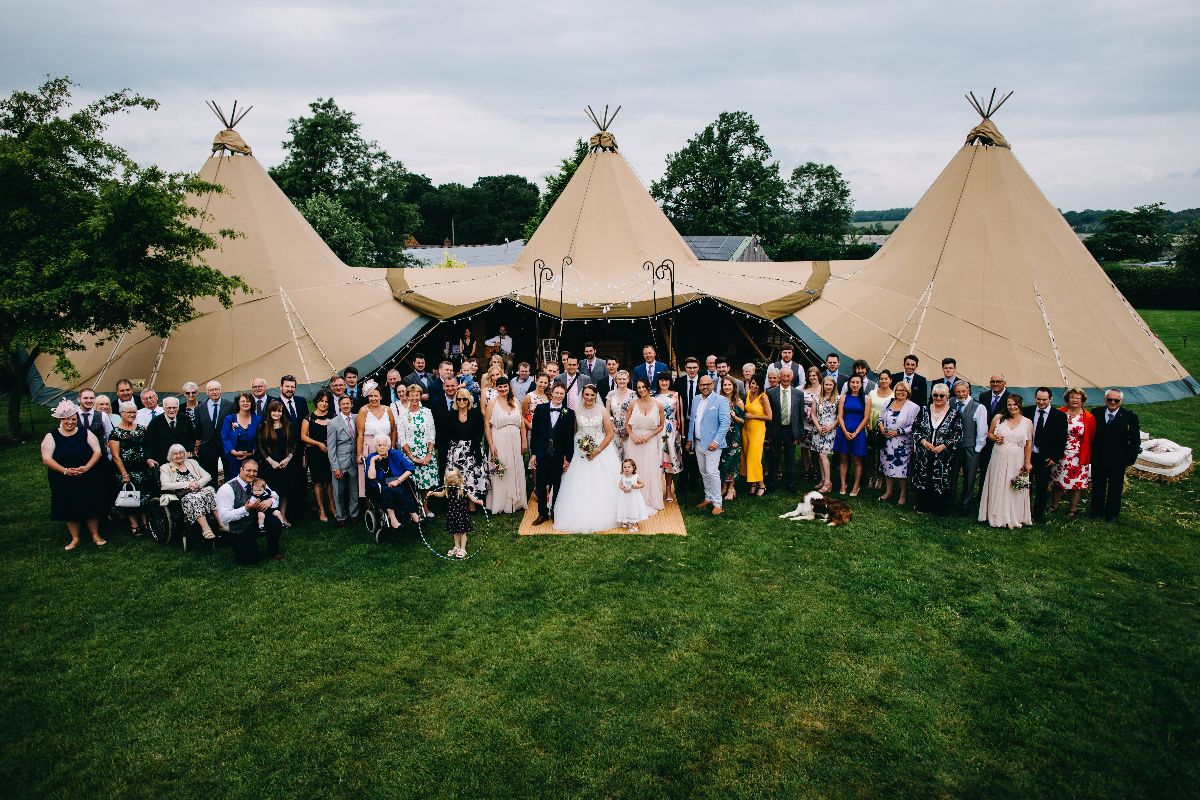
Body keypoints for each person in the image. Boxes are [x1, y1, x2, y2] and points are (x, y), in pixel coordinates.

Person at [551, 384, 624, 533]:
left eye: (592, 395)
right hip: (579, 450)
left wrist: (597, 451)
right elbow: (571, 433)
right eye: (586, 394)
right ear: (582, 395)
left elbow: (609, 434)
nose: (589, 397)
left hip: (601, 449)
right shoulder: (575, 411)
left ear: (596, 395)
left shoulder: (602, 411)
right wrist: (575, 450)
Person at [43, 399, 107, 550]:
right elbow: (46, 458)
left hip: (87, 475)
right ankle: (75, 538)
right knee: (68, 504)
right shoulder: (51, 436)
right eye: (67, 419)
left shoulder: (86, 433)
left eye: (73, 418)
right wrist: (65, 471)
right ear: (60, 419)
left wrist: (87, 467)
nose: (70, 422)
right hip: (62, 478)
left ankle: (95, 534)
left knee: (90, 503)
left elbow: (97, 451)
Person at [978, 394, 1034, 528]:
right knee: (998, 482)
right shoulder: (998, 418)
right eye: (1009, 404)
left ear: (1020, 405)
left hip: (1017, 458)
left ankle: (1014, 515)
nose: (1012, 407)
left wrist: (1027, 462)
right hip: (999, 456)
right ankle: (996, 514)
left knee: (1013, 485)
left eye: (1015, 404)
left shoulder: (1027, 422)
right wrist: (995, 438)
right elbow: (989, 434)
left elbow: (1028, 443)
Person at [215, 458, 283, 564]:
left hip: (257, 521)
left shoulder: (258, 482)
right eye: (248, 470)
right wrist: (245, 509)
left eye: (255, 471)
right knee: (248, 560)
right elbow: (224, 517)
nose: (252, 474)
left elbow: (275, 495)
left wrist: (270, 500)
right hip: (239, 527)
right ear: (241, 469)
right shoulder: (227, 489)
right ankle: (247, 546)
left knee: (275, 522)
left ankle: (273, 551)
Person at [910, 385, 964, 515]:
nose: (938, 398)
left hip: (943, 455)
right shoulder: (923, 410)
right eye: (935, 395)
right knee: (923, 477)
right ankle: (922, 506)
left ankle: (938, 508)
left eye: (942, 395)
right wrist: (923, 442)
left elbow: (957, 435)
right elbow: (915, 429)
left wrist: (943, 446)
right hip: (924, 453)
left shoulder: (954, 414)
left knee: (940, 479)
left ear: (947, 397)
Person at [1090, 388, 1140, 523]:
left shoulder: (1130, 417)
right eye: (1110, 399)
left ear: (1121, 401)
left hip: (1118, 460)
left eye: (1116, 400)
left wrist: (1129, 459)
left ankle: (1111, 513)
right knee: (1097, 486)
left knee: (1115, 488)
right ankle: (1096, 511)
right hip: (1098, 458)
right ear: (1105, 399)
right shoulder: (1095, 413)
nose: (1113, 402)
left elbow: (1135, 440)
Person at [529, 384, 576, 524]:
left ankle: (555, 510)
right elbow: (535, 433)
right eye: (557, 392)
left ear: (564, 395)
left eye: (562, 393)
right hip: (542, 453)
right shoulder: (540, 409)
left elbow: (569, 438)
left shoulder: (569, 413)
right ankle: (542, 513)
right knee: (541, 484)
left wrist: (568, 457)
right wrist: (534, 453)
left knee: (557, 484)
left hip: (558, 455)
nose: (559, 395)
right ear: (552, 393)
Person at [688, 375, 731, 516]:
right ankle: (708, 498)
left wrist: (716, 441)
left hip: (713, 444)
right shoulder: (696, 400)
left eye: (707, 384)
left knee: (712, 471)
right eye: (702, 385)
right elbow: (692, 422)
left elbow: (725, 423)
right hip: (698, 442)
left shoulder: (721, 400)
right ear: (699, 386)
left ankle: (718, 503)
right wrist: (690, 439)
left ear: (712, 385)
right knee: (704, 471)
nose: (705, 387)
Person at [484, 377, 527, 515]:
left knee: (515, 468)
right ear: (496, 388)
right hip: (499, 440)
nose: (503, 389)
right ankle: (501, 503)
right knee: (502, 468)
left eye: (505, 387)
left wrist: (524, 441)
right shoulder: (492, 403)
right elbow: (487, 425)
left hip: (515, 440)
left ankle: (516, 502)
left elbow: (521, 423)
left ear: (509, 387)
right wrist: (491, 445)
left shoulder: (515, 402)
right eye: (500, 387)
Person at [1049, 388, 1095, 519]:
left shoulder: (1088, 417)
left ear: (1083, 401)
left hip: (1078, 454)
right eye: (1072, 397)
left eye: (1078, 398)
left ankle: (1073, 509)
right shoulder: (1059, 412)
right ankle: (1054, 505)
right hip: (1060, 453)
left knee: (1077, 484)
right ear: (1067, 399)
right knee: (1058, 481)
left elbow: (1091, 437)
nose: (1074, 400)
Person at [1024, 388, 1068, 522]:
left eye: (1044, 399)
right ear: (1035, 398)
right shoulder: (1028, 412)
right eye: (1038, 399)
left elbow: (1062, 439)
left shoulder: (1059, 415)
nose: (1041, 402)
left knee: (1042, 488)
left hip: (1045, 458)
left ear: (1051, 399)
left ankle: (1038, 514)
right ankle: (1024, 512)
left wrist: (1055, 457)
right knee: (1026, 485)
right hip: (1029, 455)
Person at [158, 443, 218, 540]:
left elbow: (208, 476)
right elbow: (165, 485)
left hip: (199, 489)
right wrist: (188, 484)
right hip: (181, 494)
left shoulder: (192, 462)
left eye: (181, 453)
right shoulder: (165, 467)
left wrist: (198, 483)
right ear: (170, 455)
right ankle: (206, 529)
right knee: (195, 498)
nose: (178, 456)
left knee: (210, 493)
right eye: (175, 454)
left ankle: (221, 523)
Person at [109, 400, 151, 536]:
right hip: (126, 469)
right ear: (121, 414)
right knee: (129, 497)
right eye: (129, 412)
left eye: (134, 412)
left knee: (144, 496)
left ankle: (145, 522)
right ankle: (134, 524)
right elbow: (116, 456)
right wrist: (124, 474)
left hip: (142, 469)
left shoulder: (141, 428)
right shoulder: (116, 433)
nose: (132, 414)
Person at [396, 383, 439, 517]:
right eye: (412, 395)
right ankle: (413, 510)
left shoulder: (427, 412)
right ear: (407, 397)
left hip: (426, 453)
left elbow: (432, 433)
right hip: (410, 454)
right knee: (412, 483)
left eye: (417, 395)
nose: (414, 398)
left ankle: (425, 508)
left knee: (425, 483)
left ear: (420, 396)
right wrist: (412, 457)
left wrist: (428, 455)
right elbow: (401, 438)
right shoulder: (403, 415)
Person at [626, 378, 666, 513]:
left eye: (643, 387)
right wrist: (633, 437)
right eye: (638, 387)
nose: (641, 390)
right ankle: (633, 501)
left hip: (650, 440)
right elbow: (627, 425)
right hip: (634, 441)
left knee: (650, 468)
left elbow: (661, 425)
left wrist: (649, 436)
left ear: (649, 387)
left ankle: (650, 500)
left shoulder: (658, 405)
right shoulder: (633, 404)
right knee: (635, 469)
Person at [948, 380, 988, 514]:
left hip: (970, 447)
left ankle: (965, 505)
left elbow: (982, 431)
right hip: (953, 447)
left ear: (968, 391)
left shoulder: (979, 407)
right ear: (954, 392)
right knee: (951, 475)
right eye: (958, 391)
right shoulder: (951, 402)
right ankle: (951, 502)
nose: (961, 394)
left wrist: (977, 450)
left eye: (963, 391)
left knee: (969, 477)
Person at [444, 389, 488, 509]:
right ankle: (459, 501)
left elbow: (480, 431)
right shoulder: (451, 414)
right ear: (455, 400)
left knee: (471, 476)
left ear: (469, 400)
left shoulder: (475, 413)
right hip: (456, 450)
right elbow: (447, 433)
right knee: (458, 476)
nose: (462, 401)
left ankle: (472, 503)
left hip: (472, 449)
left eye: (465, 399)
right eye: (459, 399)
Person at [877, 381, 920, 504]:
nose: (901, 392)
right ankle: (888, 491)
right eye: (898, 390)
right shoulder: (888, 402)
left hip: (902, 443)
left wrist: (898, 431)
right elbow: (880, 419)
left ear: (908, 393)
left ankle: (902, 494)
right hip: (887, 441)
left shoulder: (913, 407)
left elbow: (914, 426)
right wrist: (882, 428)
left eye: (904, 390)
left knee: (902, 469)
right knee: (887, 466)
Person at [366, 434, 421, 528]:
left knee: (404, 486)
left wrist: (398, 481)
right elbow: (371, 477)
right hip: (382, 484)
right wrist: (372, 461)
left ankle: (412, 513)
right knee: (388, 490)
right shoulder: (372, 457)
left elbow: (410, 468)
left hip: (398, 481)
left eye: (384, 445)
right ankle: (393, 519)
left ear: (388, 446)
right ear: (375, 447)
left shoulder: (395, 454)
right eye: (379, 445)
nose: (382, 447)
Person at [355, 381, 399, 499]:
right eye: (370, 396)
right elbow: (360, 434)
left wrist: (393, 447)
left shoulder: (387, 409)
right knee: (372, 477)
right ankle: (372, 503)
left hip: (386, 447)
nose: (373, 398)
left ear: (381, 396)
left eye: (375, 395)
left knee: (387, 474)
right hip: (370, 447)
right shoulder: (363, 411)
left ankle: (390, 501)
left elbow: (394, 430)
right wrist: (359, 453)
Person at [257, 400, 297, 526]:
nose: (276, 413)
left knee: (285, 491)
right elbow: (260, 447)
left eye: (279, 411)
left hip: (285, 464)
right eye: (274, 410)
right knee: (272, 491)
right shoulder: (263, 427)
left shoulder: (288, 425)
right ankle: (273, 517)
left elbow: (293, 444)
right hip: (269, 465)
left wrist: (288, 459)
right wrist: (271, 461)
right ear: (269, 412)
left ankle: (283, 516)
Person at [426, 468, 482, 559]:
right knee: (455, 531)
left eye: (453, 482)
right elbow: (441, 494)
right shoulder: (448, 488)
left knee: (463, 532)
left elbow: (472, 498)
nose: (452, 484)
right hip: (452, 514)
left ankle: (463, 548)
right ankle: (456, 546)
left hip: (462, 514)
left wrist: (478, 501)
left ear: (459, 478)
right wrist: (433, 493)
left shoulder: (463, 488)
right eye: (450, 482)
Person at [765, 366, 803, 493]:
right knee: (774, 458)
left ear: (792, 377)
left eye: (788, 376)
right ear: (779, 377)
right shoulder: (771, 393)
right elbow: (768, 414)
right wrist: (768, 433)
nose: (786, 378)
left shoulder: (798, 394)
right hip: (776, 430)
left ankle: (791, 484)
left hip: (790, 430)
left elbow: (800, 415)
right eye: (783, 376)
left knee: (790, 459)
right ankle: (772, 483)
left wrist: (798, 435)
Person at [300, 389, 335, 523]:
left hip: (330, 453)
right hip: (315, 453)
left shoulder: (333, 416)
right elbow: (303, 436)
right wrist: (318, 444)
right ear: (316, 402)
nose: (324, 404)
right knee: (318, 482)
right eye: (321, 401)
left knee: (330, 482)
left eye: (326, 402)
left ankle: (332, 507)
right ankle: (321, 509)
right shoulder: (309, 417)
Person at [833, 375, 869, 496]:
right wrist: (844, 431)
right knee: (843, 458)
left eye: (857, 382)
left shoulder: (866, 398)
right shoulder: (844, 397)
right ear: (849, 384)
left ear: (861, 384)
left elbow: (866, 417)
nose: (854, 384)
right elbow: (840, 416)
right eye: (852, 382)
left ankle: (856, 485)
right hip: (844, 431)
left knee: (857, 459)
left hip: (858, 432)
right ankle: (843, 484)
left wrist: (856, 432)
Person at [327, 395, 359, 525]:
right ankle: (341, 517)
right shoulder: (333, 422)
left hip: (354, 462)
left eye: (348, 404)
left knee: (354, 490)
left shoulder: (357, 418)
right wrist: (335, 467)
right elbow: (331, 447)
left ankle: (354, 514)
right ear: (339, 406)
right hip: (340, 463)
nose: (346, 406)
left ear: (351, 405)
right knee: (338, 492)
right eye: (343, 404)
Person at [673, 357, 702, 498]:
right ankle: (682, 481)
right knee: (683, 453)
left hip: (698, 423)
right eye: (689, 367)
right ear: (685, 368)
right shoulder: (679, 382)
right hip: (683, 422)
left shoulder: (703, 382)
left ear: (698, 368)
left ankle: (694, 483)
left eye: (694, 367)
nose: (691, 370)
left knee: (696, 454)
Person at [654, 371, 684, 504]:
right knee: (657, 461)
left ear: (670, 382)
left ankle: (668, 489)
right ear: (658, 382)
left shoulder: (676, 395)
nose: (664, 383)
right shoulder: (653, 396)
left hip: (671, 431)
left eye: (666, 380)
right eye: (661, 380)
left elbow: (680, 416)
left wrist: (681, 434)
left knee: (669, 461)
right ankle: (656, 489)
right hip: (657, 431)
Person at [143, 396, 196, 470]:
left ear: (178, 407)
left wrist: (189, 450)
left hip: (183, 460)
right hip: (163, 462)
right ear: (164, 408)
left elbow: (192, 437)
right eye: (169, 408)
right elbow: (148, 443)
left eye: (174, 407)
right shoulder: (155, 422)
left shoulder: (185, 419)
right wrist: (149, 458)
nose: (172, 410)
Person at [196, 381, 232, 480]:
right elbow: (198, 428)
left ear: (221, 391)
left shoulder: (230, 406)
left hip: (226, 446)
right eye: (211, 390)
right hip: (207, 447)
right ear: (207, 392)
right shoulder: (199, 408)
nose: (214, 392)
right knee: (210, 476)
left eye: (216, 389)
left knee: (229, 472)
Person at [741, 375, 770, 496]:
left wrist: (752, 416)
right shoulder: (747, 394)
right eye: (752, 383)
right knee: (747, 455)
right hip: (746, 428)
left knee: (754, 457)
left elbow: (769, 416)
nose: (753, 386)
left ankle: (762, 485)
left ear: (761, 385)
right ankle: (753, 483)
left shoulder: (763, 397)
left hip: (758, 429)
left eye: (756, 384)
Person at [220, 392, 260, 479]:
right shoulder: (229, 419)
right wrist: (234, 452)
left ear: (252, 403)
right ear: (238, 403)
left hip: (251, 458)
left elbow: (260, 439)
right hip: (233, 458)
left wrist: (252, 451)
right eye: (243, 401)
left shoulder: (258, 419)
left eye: (248, 401)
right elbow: (225, 437)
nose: (245, 403)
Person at [865, 370, 894, 490]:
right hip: (871, 426)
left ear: (890, 380)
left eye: (886, 378)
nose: (883, 381)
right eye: (881, 378)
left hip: (885, 428)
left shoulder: (893, 395)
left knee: (883, 454)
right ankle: (871, 476)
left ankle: (880, 478)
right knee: (871, 453)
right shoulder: (872, 392)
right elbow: (867, 408)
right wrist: (868, 425)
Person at [810, 376, 839, 493]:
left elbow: (840, 416)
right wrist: (818, 426)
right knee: (819, 455)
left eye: (830, 385)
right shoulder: (817, 398)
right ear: (823, 385)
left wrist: (831, 426)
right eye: (826, 385)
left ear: (834, 386)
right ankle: (823, 480)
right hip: (818, 429)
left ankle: (828, 483)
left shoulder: (838, 398)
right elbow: (813, 414)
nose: (828, 387)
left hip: (830, 429)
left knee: (823, 455)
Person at [718, 376, 745, 501]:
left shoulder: (738, 401)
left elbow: (743, 421)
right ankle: (723, 486)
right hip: (722, 435)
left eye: (729, 385)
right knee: (723, 462)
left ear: (734, 387)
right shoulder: (719, 400)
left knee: (733, 462)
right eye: (725, 385)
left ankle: (731, 488)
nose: (727, 387)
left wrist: (734, 417)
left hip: (734, 436)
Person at [605, 369, 635, 460]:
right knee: (615, 456)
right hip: (614, 429)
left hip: (629, 429)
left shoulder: (633, 394)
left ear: (628, 380)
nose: (622, 381)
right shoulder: (611, 394)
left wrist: (626, 429)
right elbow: (607, 413)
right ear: (616, 380)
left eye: (624, 379)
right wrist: (614, 428)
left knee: (628, 455)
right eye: (619, 379)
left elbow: (635, 413)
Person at [616, 458, 652, 532]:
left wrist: (636, 486)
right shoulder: (623, 476)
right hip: (625, 497)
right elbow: (620, 484)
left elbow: (642, 484)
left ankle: (635, 525)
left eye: (629, 467)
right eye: (625, 467)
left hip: (634, 497)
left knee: (633, 508)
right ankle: (627, 521)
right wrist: (623, 488)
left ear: (633, 468)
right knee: (626, 508)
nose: (626, 469)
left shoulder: (636, 476)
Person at [800, 365, 822, 481]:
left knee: (815, 449)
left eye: (814, 375)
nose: (812, 377)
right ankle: (806, 470)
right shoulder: (803, 389)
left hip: (818, 424)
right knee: (804, 448)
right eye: (810, 375)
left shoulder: (823, 389)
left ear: (818, 376)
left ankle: (816, 469)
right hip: (805, 424)